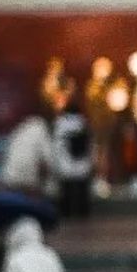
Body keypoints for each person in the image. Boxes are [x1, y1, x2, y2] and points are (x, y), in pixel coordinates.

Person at [51, 90, 95, 219]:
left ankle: (66, 213)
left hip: (66, 164)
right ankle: (83, 213)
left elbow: (56, 145)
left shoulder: (60, 124)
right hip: (82, 164)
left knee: (66, 192)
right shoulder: (83, 123)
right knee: (82, 193)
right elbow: (90, 143)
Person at [0, 109, 58, 199]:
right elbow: (48, 160)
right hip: (28, 183)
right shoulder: (41, 128)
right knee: (52, 189)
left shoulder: (20, 129)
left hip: (9, 180)